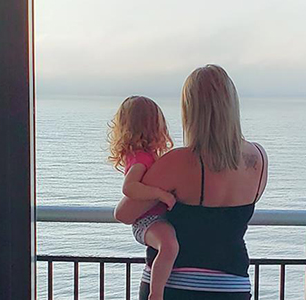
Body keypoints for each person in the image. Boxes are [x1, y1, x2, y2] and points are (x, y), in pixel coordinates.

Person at [114, 64, 268, 300]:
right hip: (233, 286)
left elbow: (125, 214)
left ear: (191, 110)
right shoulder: (259, 158)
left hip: (174, 287)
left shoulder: (178, 161)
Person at [108, 96, 178, 300]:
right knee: (169, 245)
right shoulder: (141, 159)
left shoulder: (147, 156)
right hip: (147, 221)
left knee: (169, 245)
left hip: (154, 219)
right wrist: (160, 194)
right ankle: (156, 294)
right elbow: (129, 188)